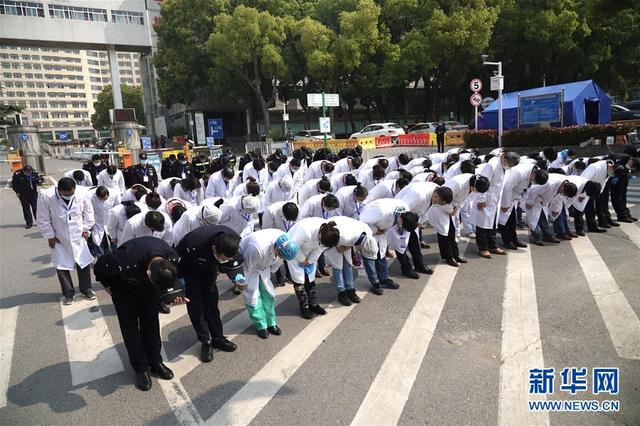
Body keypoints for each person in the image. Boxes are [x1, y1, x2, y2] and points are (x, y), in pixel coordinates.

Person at [94, 237, 186, 391]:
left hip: (149, 290)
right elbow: (99, 267)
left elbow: (172, 282)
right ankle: (141, 368)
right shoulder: (123, 259)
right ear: (148, 272)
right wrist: (107, 286)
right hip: (124, 289)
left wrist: (174, 295)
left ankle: (155, 361)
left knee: (151, 322)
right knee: (130, 328)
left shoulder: (170, 256)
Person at [175, 226, 244, 361]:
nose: (224, 260)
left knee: (212, 303)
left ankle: (218, 338)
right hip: (191, 269)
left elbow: (233, 262)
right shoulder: (193, 244)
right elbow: (177, 262)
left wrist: (238, 278)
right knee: (197, 307)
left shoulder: (233, 238)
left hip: (210, 269)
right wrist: (178, 288)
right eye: (222, 258)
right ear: (214, 248)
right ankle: (205, 341)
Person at [36, 177, 96, 304]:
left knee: (83, 262)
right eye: (65, 194)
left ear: (74, 188)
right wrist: (50, 236)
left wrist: (86, 229)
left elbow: (88, 212)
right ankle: (68, 293)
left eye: (71, 193)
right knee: (61, 265)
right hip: (59, 237)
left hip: (78, 235)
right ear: (59, 190)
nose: (68, 196)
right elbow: (42, 218)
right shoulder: (47, 196)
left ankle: (86, 289)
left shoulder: (82, 193)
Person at [238, 230, 299, 338]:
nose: (280, 257)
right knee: (253, 297)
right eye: (280, 255)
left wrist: (272, 270)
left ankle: (271, 323)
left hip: (264, 264)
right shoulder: (257, 247)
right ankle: (260, 325)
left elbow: (279, 260)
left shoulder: (286, 243)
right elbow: (246, 267)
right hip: (249, 265)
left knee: (268, 294)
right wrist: (243, 282)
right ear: (277, 248)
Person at [428, 174, 490, 267]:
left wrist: (456, 209)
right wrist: (451, 210)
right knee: (444, 233)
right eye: (476, 190)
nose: (475, 192)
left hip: (451, 207)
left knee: (451, 232)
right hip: (441, 207)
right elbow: (443, 198)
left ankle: (455, 255)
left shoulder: (473, 181)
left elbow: (464, 198)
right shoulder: (457, 184)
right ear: (474, 186)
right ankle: (448, 257)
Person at [395, 182, 453, 276]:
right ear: (436, 196)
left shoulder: (436, 191)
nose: (438, 204)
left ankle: (419, 265)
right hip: (399, 217)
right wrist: (403, 225)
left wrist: (419, 223)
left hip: (412, 217)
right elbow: (401, 208)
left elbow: (427, 209)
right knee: (401, 244)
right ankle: (406, 269)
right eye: (440, 202)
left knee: (415, 242)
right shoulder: (418, 195)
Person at [286, 218, 340, 319]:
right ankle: (304, 307)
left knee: (310, 278)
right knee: (299, 279)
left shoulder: (328, 233)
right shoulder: (304, 231)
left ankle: (313, 304)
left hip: (310, 251)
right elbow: (293, 246)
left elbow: (319, 249)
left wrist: (310, 261)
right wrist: (302, 259)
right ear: (320, 235)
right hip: (294, 250)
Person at [470, 152, 520, 258]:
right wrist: (481, 199)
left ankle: (492, 246)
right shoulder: (491, 165)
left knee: (492, 225)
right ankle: (482, 248)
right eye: (509, 165)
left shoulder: (502, 166)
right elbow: (481, 183)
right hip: (485, 201)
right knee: (482, 226)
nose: (509, 167)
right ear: (505, 159)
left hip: (494, 201)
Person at [359, 198, 414, 292]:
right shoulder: (382, 211)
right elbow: (363, 222)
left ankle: (384, 279)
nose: (400, 226)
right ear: (401, 219)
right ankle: (375, 283)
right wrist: (376, 230)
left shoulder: (405, 209)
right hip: (370, 230)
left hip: (381, 231)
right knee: (370, 257)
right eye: (402, 225)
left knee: (381, 254)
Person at [324, 216, 378, 306]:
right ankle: (341, 292)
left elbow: (347, 245)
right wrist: (348, 246)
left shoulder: (368, 233)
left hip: (345, 233)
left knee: (348, 263)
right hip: (331, 235)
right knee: (338, 265)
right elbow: (339, 249)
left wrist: (348, 246)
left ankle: (350, 289)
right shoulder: (345, 238)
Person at [499, 165, 547, 249]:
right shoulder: (520, 173)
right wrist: (505, 204)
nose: (533, 182)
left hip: (512, 198)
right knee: (504, 221)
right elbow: (507, 188)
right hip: (504, 197)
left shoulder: (534, 171)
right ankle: (507, 241)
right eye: (534, 181)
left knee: (512, 221)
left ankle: (514, 240)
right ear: (534, 174)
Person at [88, 186, 120, 256]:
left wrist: (117, 222)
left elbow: (118, 208)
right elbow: (87, 210)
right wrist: (90, 223)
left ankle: (114, 258)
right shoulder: (89, 196)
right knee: (97, 241)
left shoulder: (115, 194)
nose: (103, 201)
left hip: (111, 221)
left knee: (113, 241)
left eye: (105, 199)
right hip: (97, 221)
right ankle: (101, 258)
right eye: (101, 200)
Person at [12, 164, 44, 229]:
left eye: (29, 173)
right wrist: (17, 192)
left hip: (33, 193)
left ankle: (39, 221)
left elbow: (40, 179)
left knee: (36, 208)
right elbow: (14, 184)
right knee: (26, 209)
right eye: (26, 173)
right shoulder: (17, 174)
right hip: (23, 194)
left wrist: (39, 181)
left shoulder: (34, 172)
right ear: (23, 171)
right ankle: (29, 222)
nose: (28, 174)